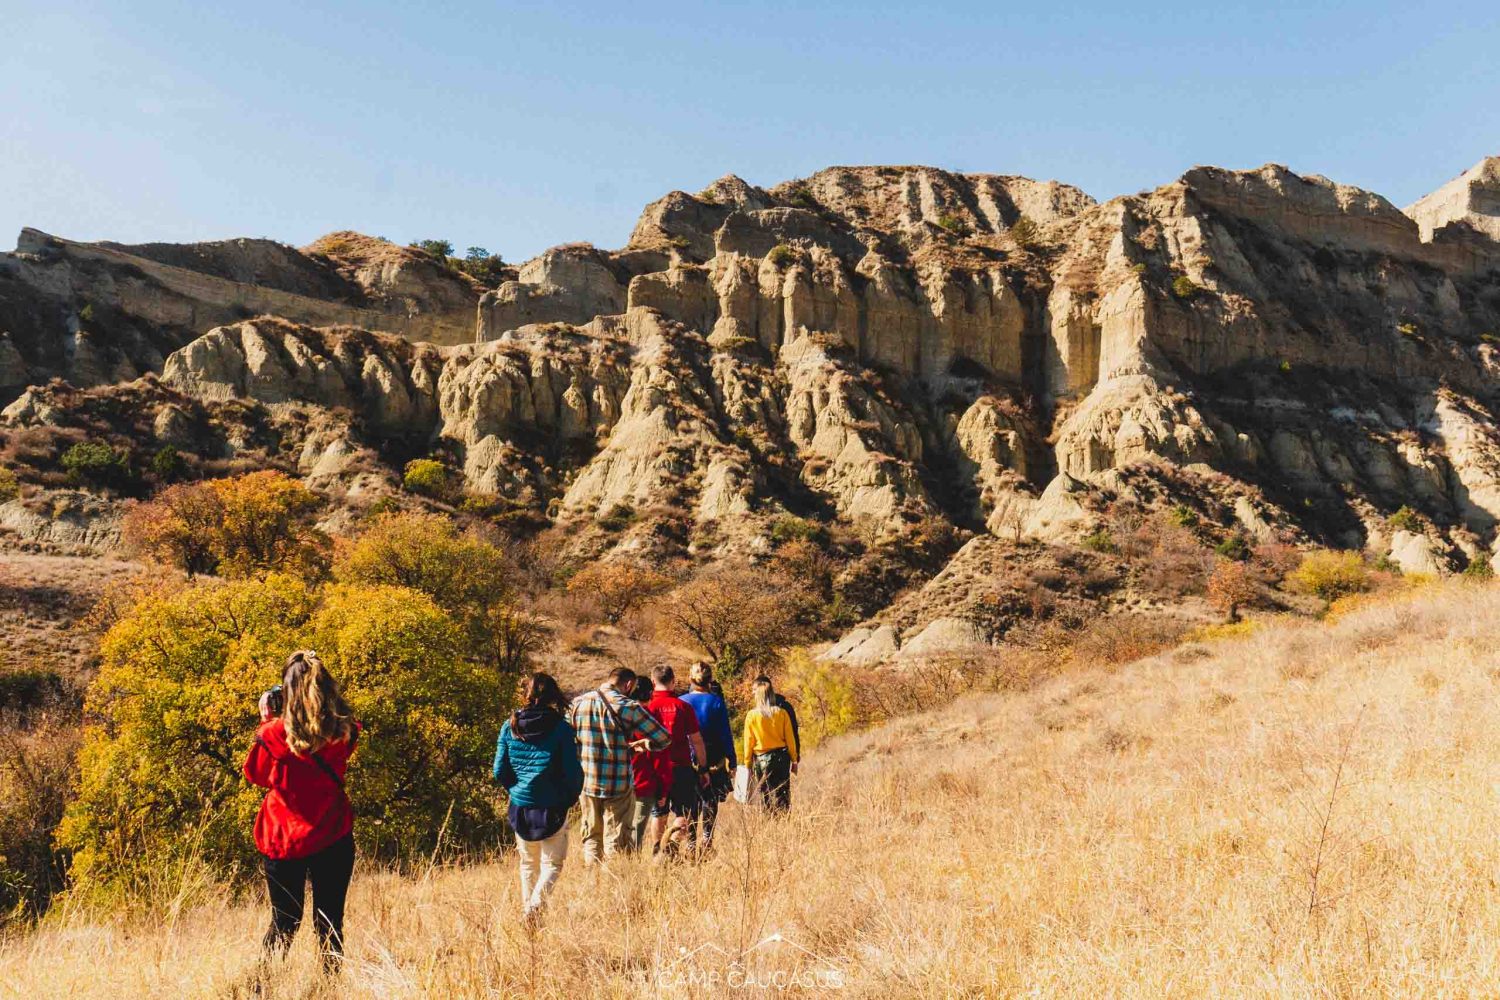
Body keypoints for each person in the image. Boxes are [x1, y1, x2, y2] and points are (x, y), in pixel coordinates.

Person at [243, 650, 359, 972]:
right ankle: (330, 987)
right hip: (333, 834)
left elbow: (255, 775)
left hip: (284, 839)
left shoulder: (272, 735)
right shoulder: (344, 731)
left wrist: (267, 720)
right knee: (330, 921)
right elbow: (345, 726)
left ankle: (262, 984)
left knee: (284, 921)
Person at [492, 672, 584, 923]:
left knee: (527, 864)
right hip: (552, 805)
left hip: (521, 805)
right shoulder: (561, 729)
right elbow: (572, 771)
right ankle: (534, 908)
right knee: (552, 864)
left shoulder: (509, 726)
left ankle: (528, 912)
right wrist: (569, 797)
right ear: (553, 695)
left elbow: (499, 770)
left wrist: (517, 789)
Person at [567, 667, 670, 865]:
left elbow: (567, 737)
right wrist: (644, 744)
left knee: (591, 837)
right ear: (629, 684)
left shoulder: (577, 703)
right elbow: (664, 738)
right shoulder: (628, 707)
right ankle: (612, 885)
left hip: (587, 781)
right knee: (617, 840)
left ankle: (592, 882)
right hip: (618, 782)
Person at [639, 664, 708, 857]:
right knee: (684, 814)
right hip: (681, 768)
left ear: (653, 682)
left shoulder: (647, 707)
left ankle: (657, 851)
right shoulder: (683, 707)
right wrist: (703, 768)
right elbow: (697, 741)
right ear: (673, 681)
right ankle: (670, 845)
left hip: (654, 769)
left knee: (658, 814)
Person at [679, 662, 735, 851]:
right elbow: (725, 733)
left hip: (687, 756)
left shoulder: (682, 701)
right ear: (710, 680)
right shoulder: (717, 701)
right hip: (714, 757)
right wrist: (732, 759)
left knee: (691, 800)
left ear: (690, 679)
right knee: (710, 799)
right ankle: (707, 838)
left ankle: (691, 842)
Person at [742, 675, 798, 813]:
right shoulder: (782, 713)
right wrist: (794, 761)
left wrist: (747, 764)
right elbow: (790, 739)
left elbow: (748, 743)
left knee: (765, 796)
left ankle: (769, 822)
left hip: (761, 761)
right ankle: (784, 821)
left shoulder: (752, 715)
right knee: (783, 794)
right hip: (781, 759)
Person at [626, 674, 656, 852]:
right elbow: (658, 752)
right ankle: (630, 865)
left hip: (620, 780)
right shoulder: (648, 717)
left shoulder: (620, 714)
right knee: (637, 831)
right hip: (645, 781)